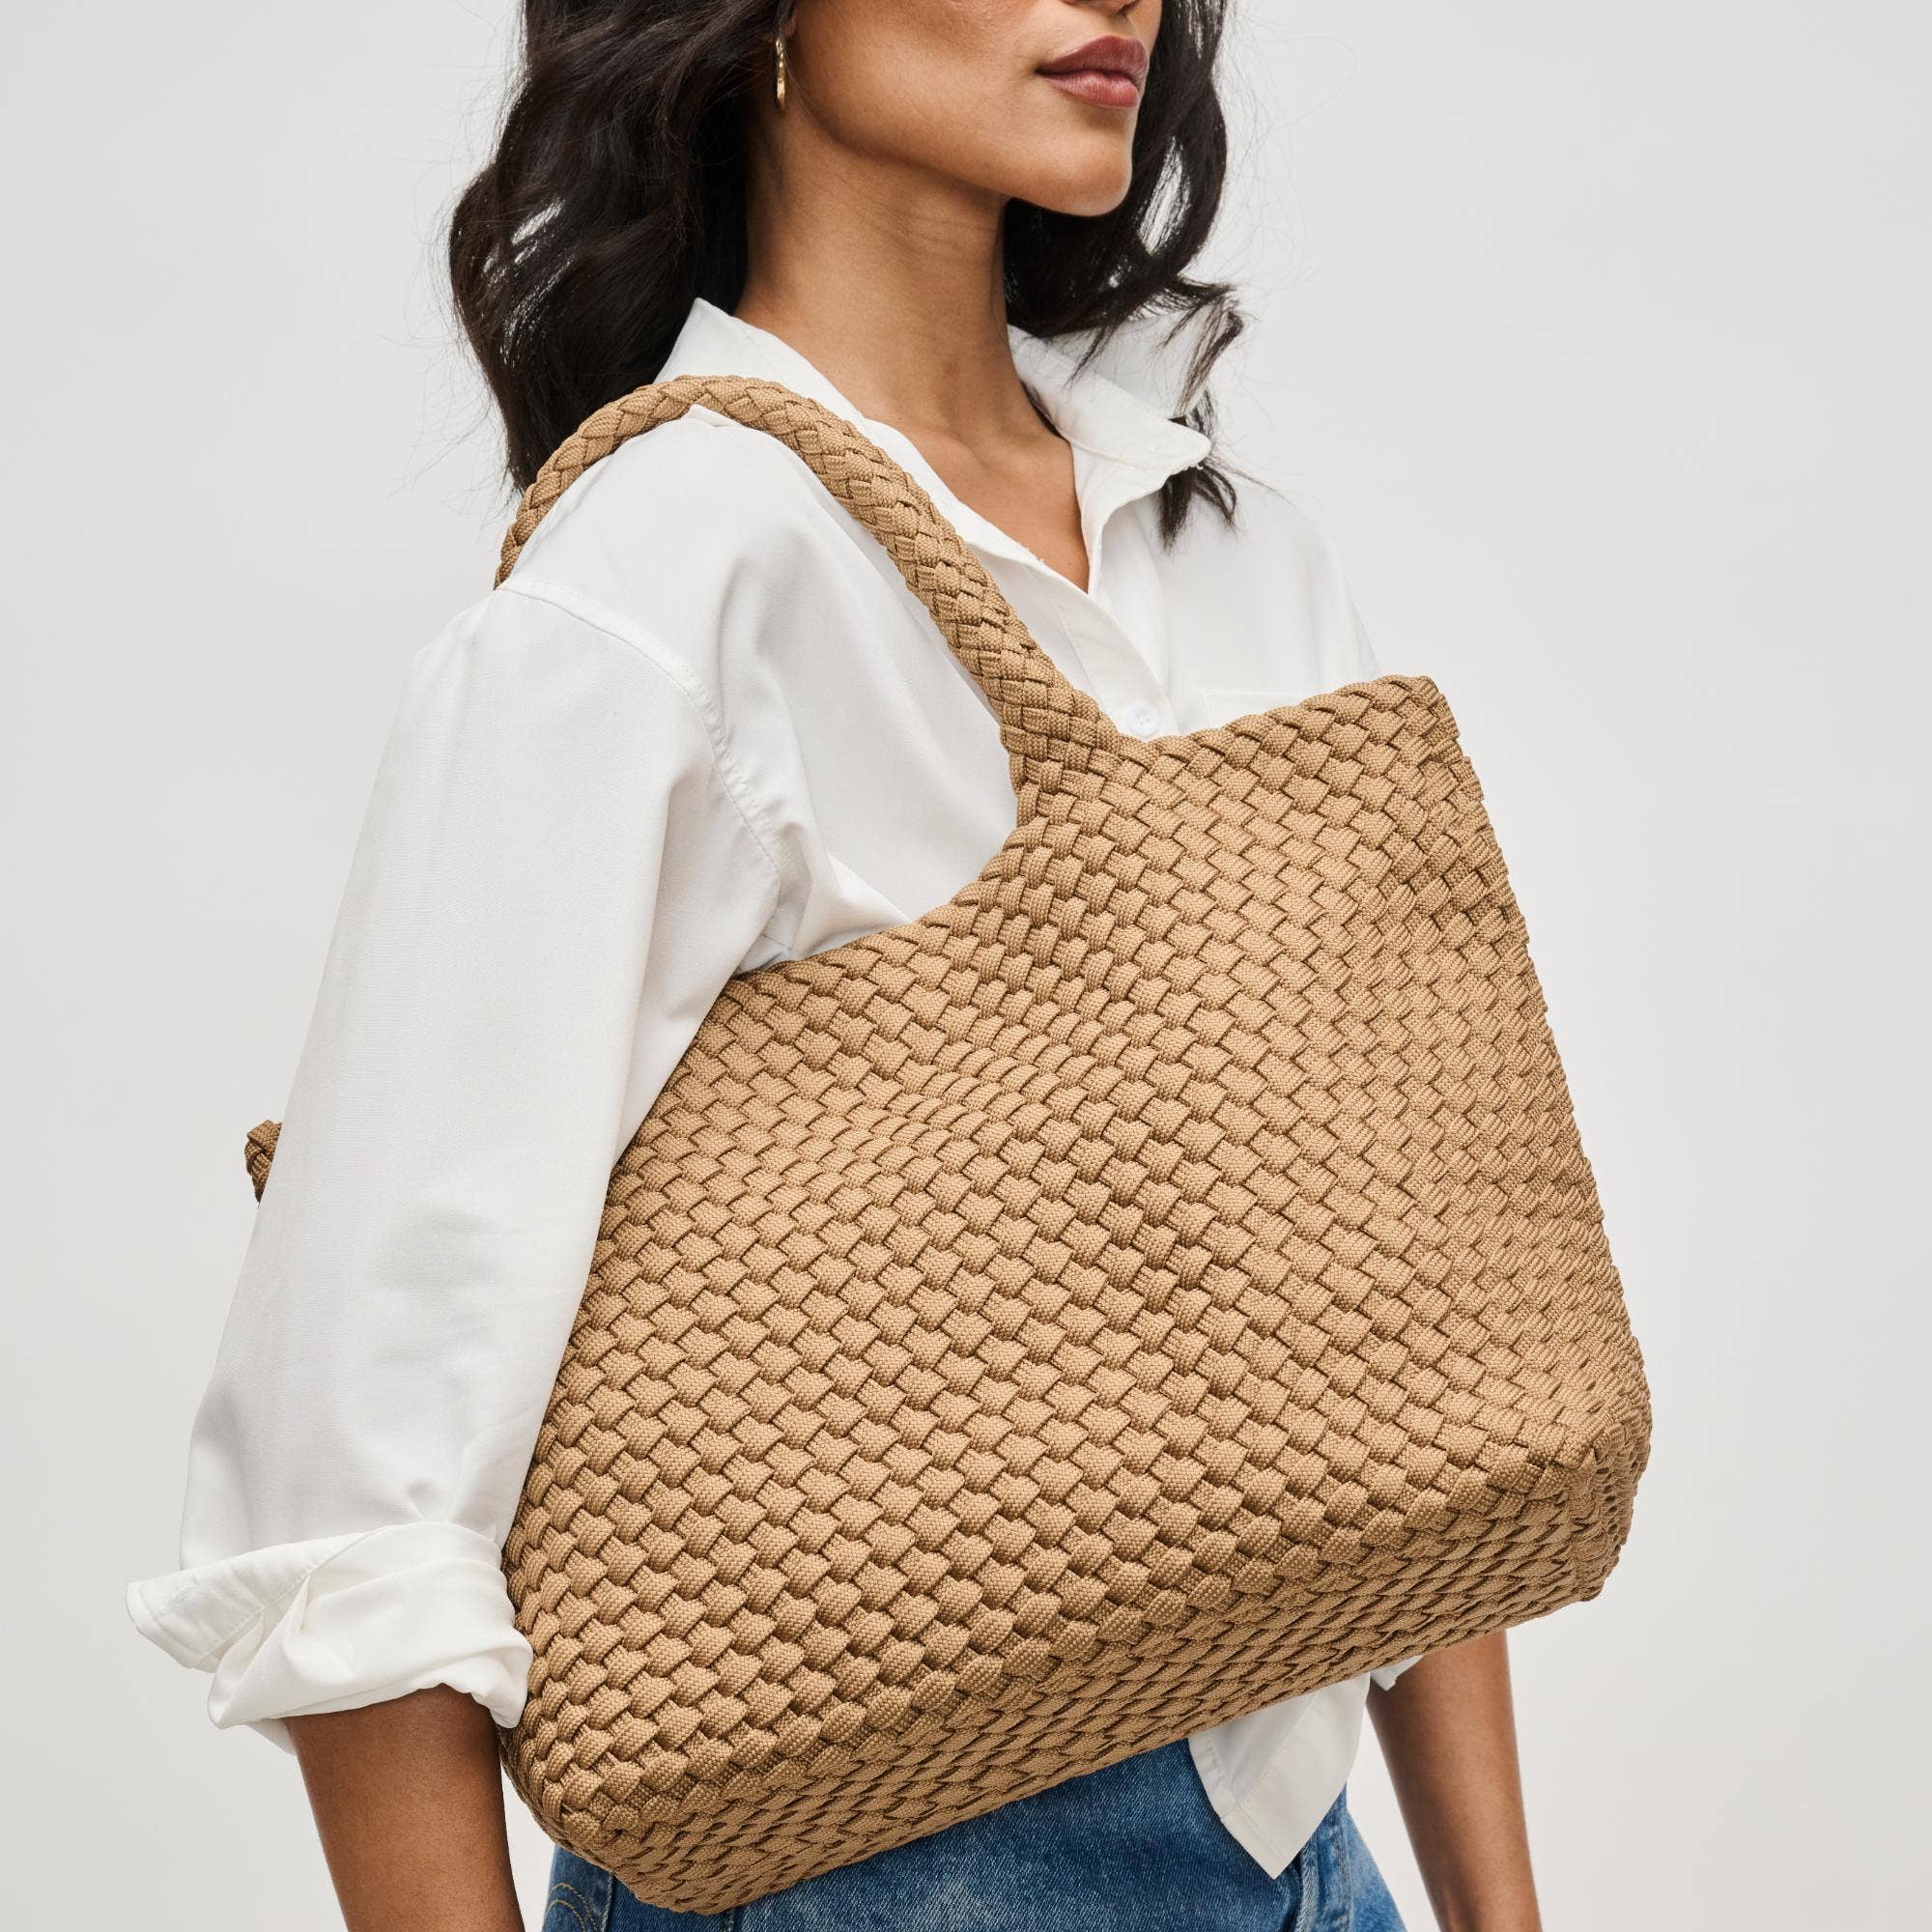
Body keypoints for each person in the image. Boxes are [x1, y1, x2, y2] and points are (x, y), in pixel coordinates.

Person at [128, 5, 1547, 1928]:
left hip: (1306, 1854)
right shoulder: (659, 584)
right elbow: (351, 1495)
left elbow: (1396, 1357)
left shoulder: (1237, 559)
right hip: (859, 1866)